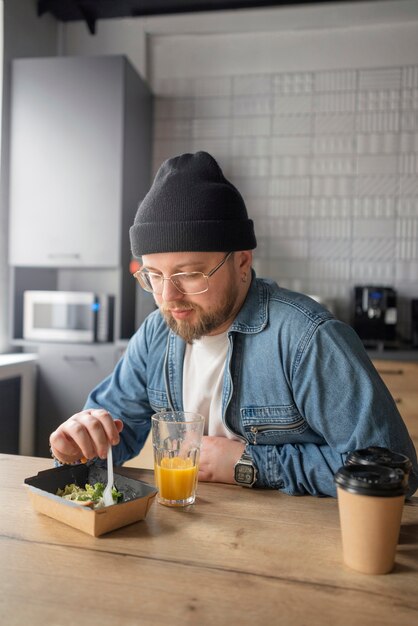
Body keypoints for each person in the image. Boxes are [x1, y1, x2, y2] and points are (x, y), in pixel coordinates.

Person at [49, 151, 418, 497]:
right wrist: (76, 447)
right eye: (153, 276)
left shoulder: (306, 340)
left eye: (190, 275)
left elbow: (396, 474)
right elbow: (109, 442)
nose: (168, 297)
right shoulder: (156, 334)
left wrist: (248, 464)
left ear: (242, 263)